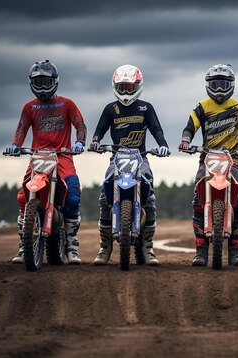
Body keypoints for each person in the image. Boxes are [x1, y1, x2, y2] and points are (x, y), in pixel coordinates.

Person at [5, 60, 87, 264]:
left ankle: (72, 246)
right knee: (24, 196)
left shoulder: (67, 104)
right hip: (37, 157)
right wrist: (15, 145)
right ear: (31, 82)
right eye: (38, 82)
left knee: (73, 195)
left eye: (46, 82)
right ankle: (25, 245)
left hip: (62, 156)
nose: (42, 87)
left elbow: (80, 125)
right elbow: (21, 129)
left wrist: (79, 142)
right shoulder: (29, 107)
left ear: (55, 81)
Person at [178, 64, 238, 267]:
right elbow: (190, 127)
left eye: (224, 85)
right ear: (208, 85)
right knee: (198, 195)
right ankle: (200, 249)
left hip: (233, 159)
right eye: (215, 85)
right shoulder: (202, 107)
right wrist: (186, 141)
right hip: (207, 159)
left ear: (231, 85)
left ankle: (235, 249)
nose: (220, 90)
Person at [90, 64, 170, 266]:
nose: (126, 91)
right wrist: (95, 142)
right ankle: (105, 247)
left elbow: (156, 129)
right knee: (104, 196)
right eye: (122, 87)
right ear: (115, 86)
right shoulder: (110, 109)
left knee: (149, 196)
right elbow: (100, 129)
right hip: (116, 157)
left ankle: (147, 247)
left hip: (140, 157)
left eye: (129, 87)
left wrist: (163, 146)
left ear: (138, 86)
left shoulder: (146, 108)